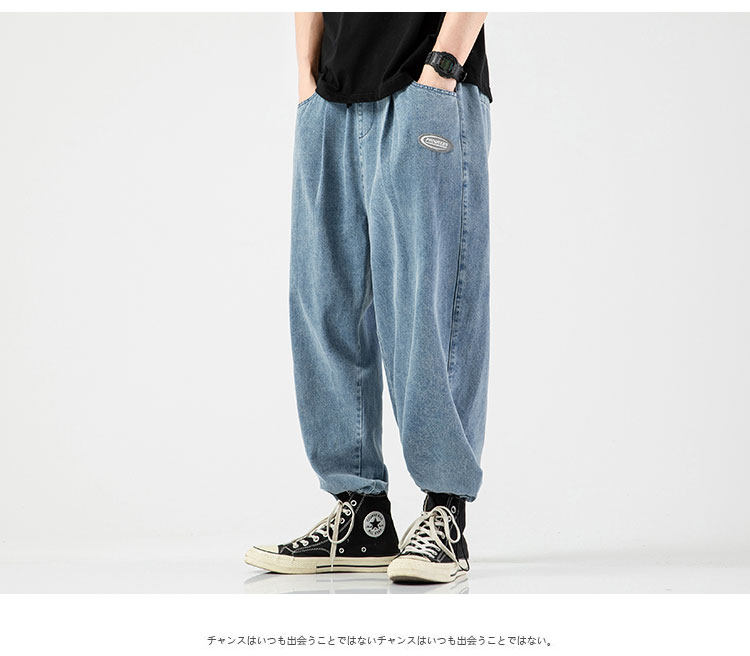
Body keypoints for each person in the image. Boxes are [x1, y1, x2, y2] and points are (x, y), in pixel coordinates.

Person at [245, 12, 491, 584]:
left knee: (427, 307)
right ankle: (362, 515)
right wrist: (306, 80)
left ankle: (445, 511)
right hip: (330, 97)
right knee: (324, 302)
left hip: (426, 83)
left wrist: (443, 68)